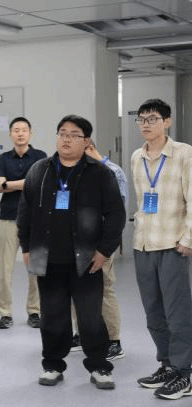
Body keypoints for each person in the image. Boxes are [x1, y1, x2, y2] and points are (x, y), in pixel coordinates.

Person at [17, 114, 125, 390]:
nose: (66, 139)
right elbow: (25, 212)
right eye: (62, 133)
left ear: (86, 141)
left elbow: (116, 214)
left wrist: (104, 251)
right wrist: (27, 247)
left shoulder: (100, 173)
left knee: (90, 317)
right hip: (48, 258)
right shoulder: (39, 170)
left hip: (87, 259)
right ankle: (53, 365)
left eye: (74, 135)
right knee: (52, 317)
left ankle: (99, 366)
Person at [131, 99, 192, 400]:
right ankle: (167, 364)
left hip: (173, 244)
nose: (146, 124)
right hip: (144, 244)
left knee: (177, 313)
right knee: (154, 312)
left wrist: (188, 239)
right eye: (141, 119)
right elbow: (142, 201)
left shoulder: (184, 153)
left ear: (167, 122)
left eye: (152, 118)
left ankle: (184, 373)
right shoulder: (136, 157)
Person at [77, 139, 127, 361]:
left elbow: (117, 213)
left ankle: (114, 341)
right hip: (76, 242)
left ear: (89, 148)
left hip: (100, 242)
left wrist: (105, 247)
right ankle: (82, 334)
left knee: (104, 289)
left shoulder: (113, 172)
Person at [0, 117, 47, 329]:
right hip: (8, 217)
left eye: (24, 129)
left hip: (35, 219)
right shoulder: (4, 158)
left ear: (30, 133)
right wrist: (19, 184)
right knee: (4, 270)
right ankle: (5, 314)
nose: (20, 133)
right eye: (16, 130)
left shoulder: (40, 156)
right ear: (10, 134)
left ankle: (34, 311)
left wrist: (8, 184)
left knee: (36, 268)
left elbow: (37, 182)